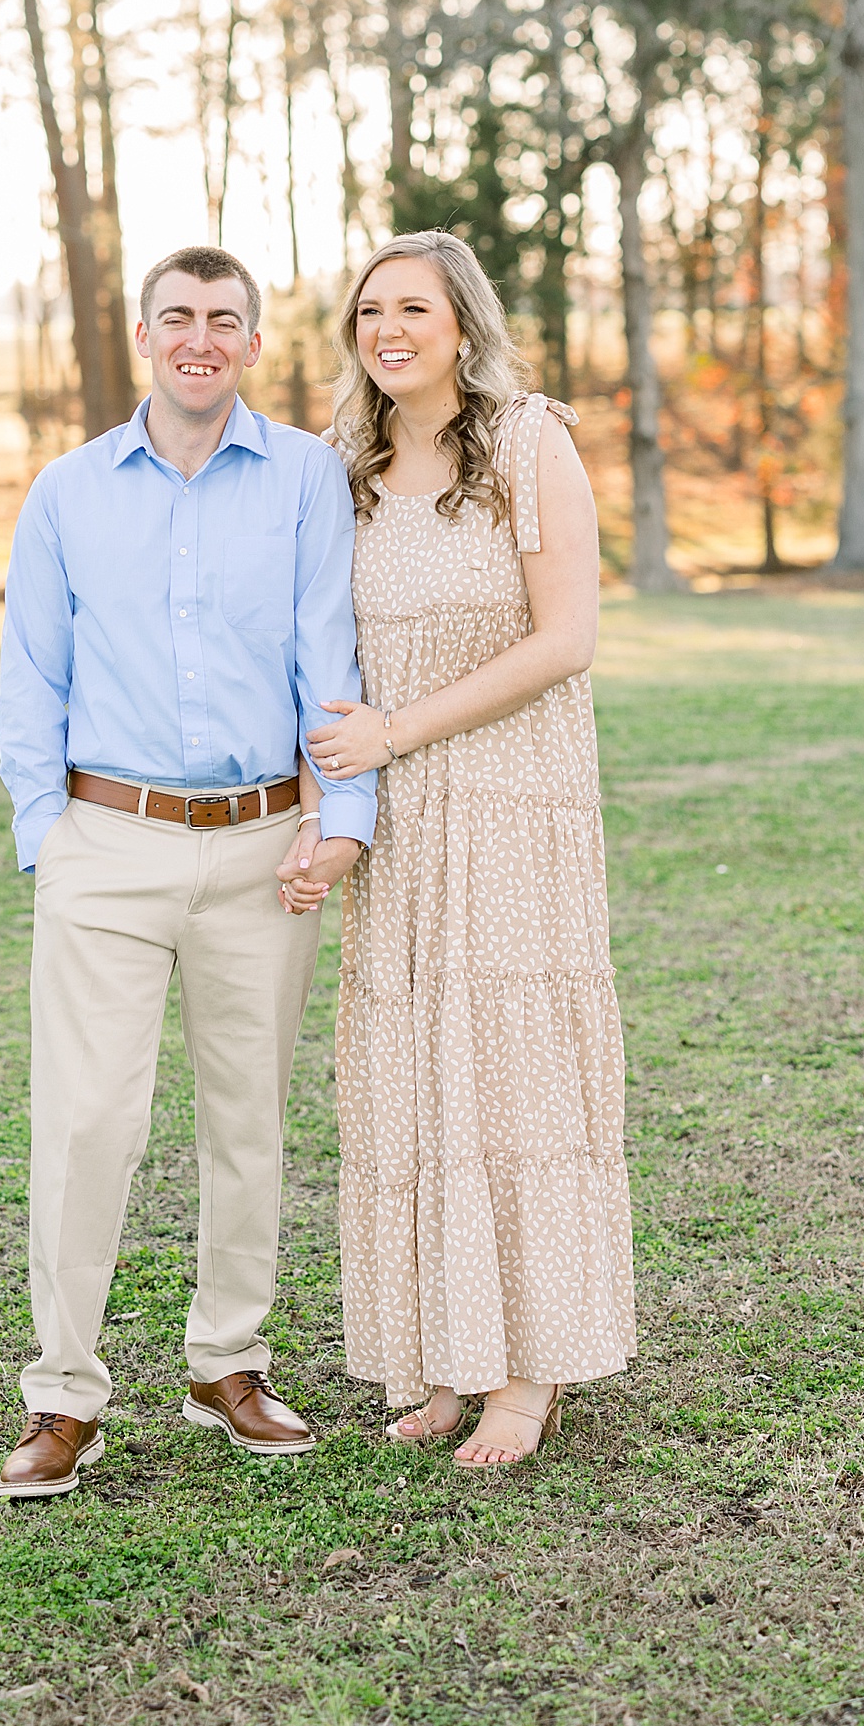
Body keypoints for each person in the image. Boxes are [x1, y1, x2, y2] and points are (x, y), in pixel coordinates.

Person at [0, 244, 375, 1501]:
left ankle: (229, 1360)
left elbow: (333, 656)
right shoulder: (67, 490)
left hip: (267, 843)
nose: (200, 337)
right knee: (88, 1119)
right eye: (178, 318)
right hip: (106, 841)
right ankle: (63, 1391)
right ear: (145, 335)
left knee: (246, 1116)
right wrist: (48, 833)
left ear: (254, 341)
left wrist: (344, 815)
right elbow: (29, 676)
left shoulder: (310, 477)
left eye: (224, 318)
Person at [279, 229, 635, 1467]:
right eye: (369, 310)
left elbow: (566, 639)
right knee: (410, 1073)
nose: (388, 329)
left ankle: (529, 1374)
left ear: (462, 322)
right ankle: (442, 1356)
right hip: (392, 814)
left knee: (507, 1067)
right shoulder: (344, 468)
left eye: (413, 308)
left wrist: (401, 730)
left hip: (509, 792)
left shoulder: (532, 442)